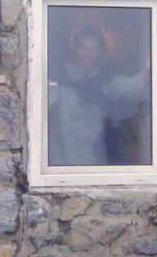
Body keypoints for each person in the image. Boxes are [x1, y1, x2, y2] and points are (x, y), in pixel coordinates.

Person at [47, 26, 151, 167]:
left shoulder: (102, 79)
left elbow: (127, 86)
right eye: (83, 47)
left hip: (93, 160)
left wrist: (147, 76)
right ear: (74, 48)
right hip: (61, 161)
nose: (87, 54)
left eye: (93, 49)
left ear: (100, 52)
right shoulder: (58, 78)